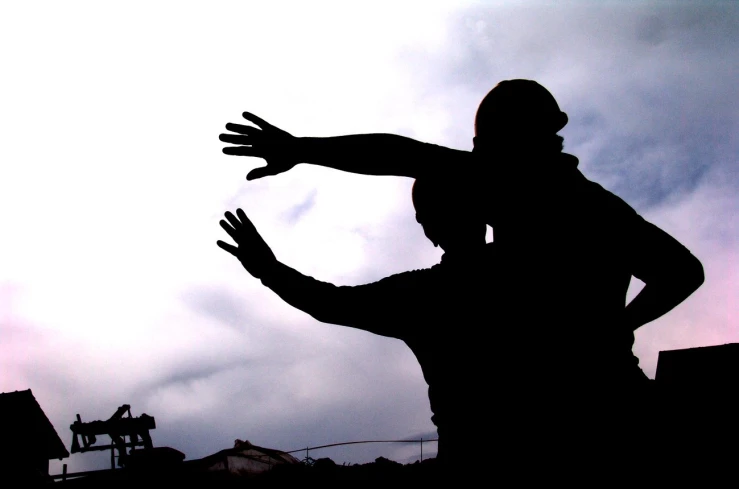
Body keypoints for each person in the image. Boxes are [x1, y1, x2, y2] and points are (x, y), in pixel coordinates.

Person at [218, 80, 705, 407]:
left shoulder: (533, 197)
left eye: (481, 147)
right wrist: (616, 325)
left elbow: (400, 154)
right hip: (610, 407)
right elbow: (683, 271)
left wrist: (303, 152)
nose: (472, 159)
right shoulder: (577, 205)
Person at [217, 178, 497, 470]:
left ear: (428, 227)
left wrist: (268, 269)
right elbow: (330, 303)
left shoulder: (420, 294)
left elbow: (329, 303)